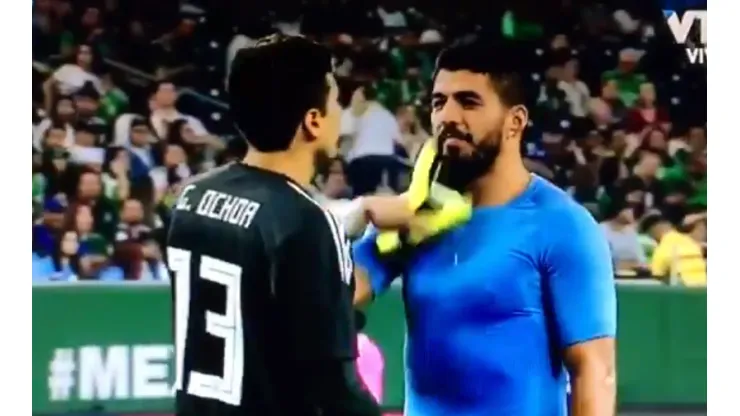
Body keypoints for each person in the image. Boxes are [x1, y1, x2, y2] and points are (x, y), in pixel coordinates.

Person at [351, 38, 617, 416]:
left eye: (468, 102)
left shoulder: (563, 225)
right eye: (439, 102)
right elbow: (335, 294)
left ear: (516, 121)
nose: (448, 117)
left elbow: (594, 370)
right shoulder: (417, 214)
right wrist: (356, 216)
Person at [166, 34, 380, 416]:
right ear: (312, 121)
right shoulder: (305, 221)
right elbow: (336, 387)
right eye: (335, 102)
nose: (339, 115)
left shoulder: (192, 198)